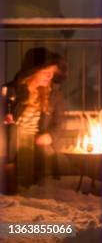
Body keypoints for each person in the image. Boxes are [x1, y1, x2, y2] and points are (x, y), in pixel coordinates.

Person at [2, 47, 65, 194]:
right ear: (32, 71)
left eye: (52, 73)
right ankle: (10, 184)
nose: (50, 76)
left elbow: (59, 124)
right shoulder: (11, 91)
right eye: (45, 72)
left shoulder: (54, 95)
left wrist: (50, 136)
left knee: (42, 151)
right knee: (11, 132)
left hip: (36, 140)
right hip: (11, 139)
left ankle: (32, 187)